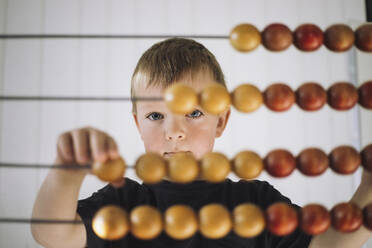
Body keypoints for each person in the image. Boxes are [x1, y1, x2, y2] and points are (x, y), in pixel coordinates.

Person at [31, 38, 372, 248]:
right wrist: (66, 173)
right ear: (137, 123)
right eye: (155, 116)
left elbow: (330, 244)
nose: (174, 131)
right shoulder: (122, 201)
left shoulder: (254, 201)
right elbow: (52, 236)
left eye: (193, 113)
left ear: (221, 120)